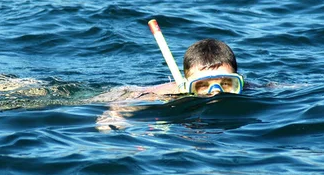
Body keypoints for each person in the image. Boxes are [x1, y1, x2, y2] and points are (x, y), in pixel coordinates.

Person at [94, 38, 243, 130]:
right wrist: (115, 115)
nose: (216, 92)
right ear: (187, 86)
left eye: (226, 83)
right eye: (203, 85)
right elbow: (129, 98)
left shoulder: (246, 88)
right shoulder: (172, 92)